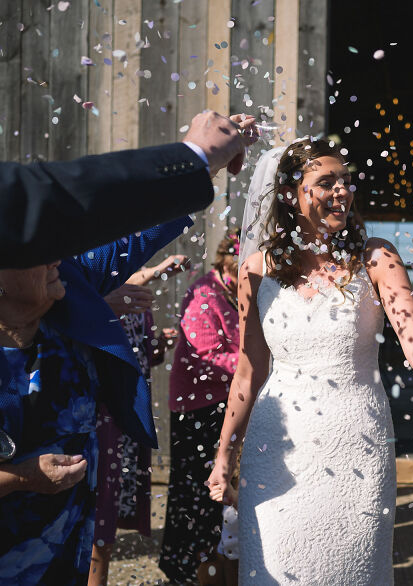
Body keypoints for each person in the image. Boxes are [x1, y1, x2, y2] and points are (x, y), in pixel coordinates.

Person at [205, 138, 413, 585]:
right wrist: (223, 453)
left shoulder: (376, 258)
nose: (341, 192)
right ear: (291, 194)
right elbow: (249, 370)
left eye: (346, 181)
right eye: (325, 182)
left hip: (357, 447)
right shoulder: (254, 269)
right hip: (277, 451)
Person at [0, 217, 191, 583]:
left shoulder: (69, 289)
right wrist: (22, 478)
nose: (56, 257)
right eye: (36, 252)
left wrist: (203, 165)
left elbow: (139, 234)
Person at [1, 111, 256, 269]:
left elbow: (125, 250)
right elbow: (36, 202)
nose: (53, 261)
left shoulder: (68, 281)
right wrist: (193, 156)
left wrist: (204, 168)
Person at [89, 254, 186, 586]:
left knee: (109, 517)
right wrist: (156, 273)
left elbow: (136, 352)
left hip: (126, 419)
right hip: (99, 419)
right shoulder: (95, 291)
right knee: (97, 521)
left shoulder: (132, 295)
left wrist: (159, 344)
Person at [159, 233, 241, 583]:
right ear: (224, 264)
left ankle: (222, 568)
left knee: (227, 502)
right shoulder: (203, 294)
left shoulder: (234, 291)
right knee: (199, 498)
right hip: (198, 410)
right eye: (240, 276)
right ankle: (189, 571)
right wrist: (261, 363)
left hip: (228, 403)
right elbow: (205, 359)